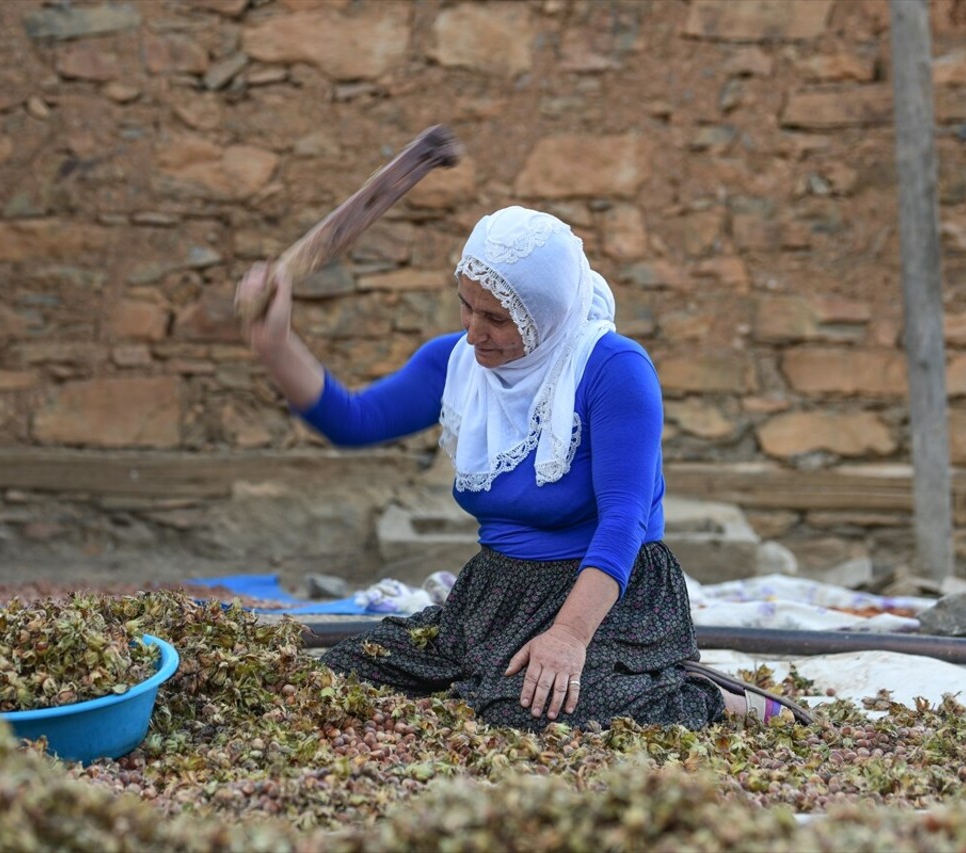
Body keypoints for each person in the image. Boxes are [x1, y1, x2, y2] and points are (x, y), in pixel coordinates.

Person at [237, 206, 811, 731]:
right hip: (497, 592)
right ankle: (515, 675)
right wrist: (276, 346)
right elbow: (353, 420)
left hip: (608, 594)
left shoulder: (613, 369)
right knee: (352, 670)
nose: (473, 331)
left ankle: (715, 698)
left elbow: (624, 520)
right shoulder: (459, 362)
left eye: (497, 318)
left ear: (547, 313)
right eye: (465, 305)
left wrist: (568, 636)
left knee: (529, 712)